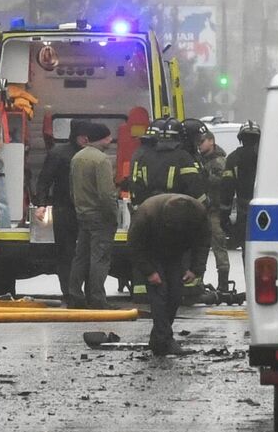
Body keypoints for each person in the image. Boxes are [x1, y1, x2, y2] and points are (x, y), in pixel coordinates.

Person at [129, 191, 211, 356]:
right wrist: (149, 272)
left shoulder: (198, 214)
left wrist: (196, 269)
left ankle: (158, 339)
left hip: (175, 254)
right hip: (151, 252)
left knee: (175, 294)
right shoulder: (146, 214)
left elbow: (203, 243)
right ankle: (165, 340)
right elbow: (134, 246)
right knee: (159, 295)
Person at [35, 120, 86, 304]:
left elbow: (44, 180)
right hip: (66, 209)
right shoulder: (61, 153)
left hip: (74, 209)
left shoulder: (61, 152)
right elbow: (45, 180)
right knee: (67, 253)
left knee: (74, 254)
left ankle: (75, 292)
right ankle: (71, 293)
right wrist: (41, 203)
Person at [68, 120, 118, 309]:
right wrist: (113, 215)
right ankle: (98, 299)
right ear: (101, 139)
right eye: (108, 137)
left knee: (80, 257)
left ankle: (74, 295)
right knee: (100, 258)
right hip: (100, 216)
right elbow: (106, 194)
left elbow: (72, 190)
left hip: (82, 214)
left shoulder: (77, 157)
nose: (110, 140)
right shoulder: (101, 160)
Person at [196, 131, 236, 294]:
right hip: (204, 209)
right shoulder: (203, 160)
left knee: (218, 246)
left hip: (214, 211)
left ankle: (223, 284)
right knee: (200, 247)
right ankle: (198, 280)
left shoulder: (219, 162)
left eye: (202, 141)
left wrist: (203, 176)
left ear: (211, 141)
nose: (200, 145)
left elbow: (222, 184)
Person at [228, 121, 261, 250]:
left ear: (240, 138)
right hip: (266, 211)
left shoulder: (233, 158)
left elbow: (227, 188)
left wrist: (224, 214)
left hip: (243, 210)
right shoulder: (267, 157)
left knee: (246, 248)